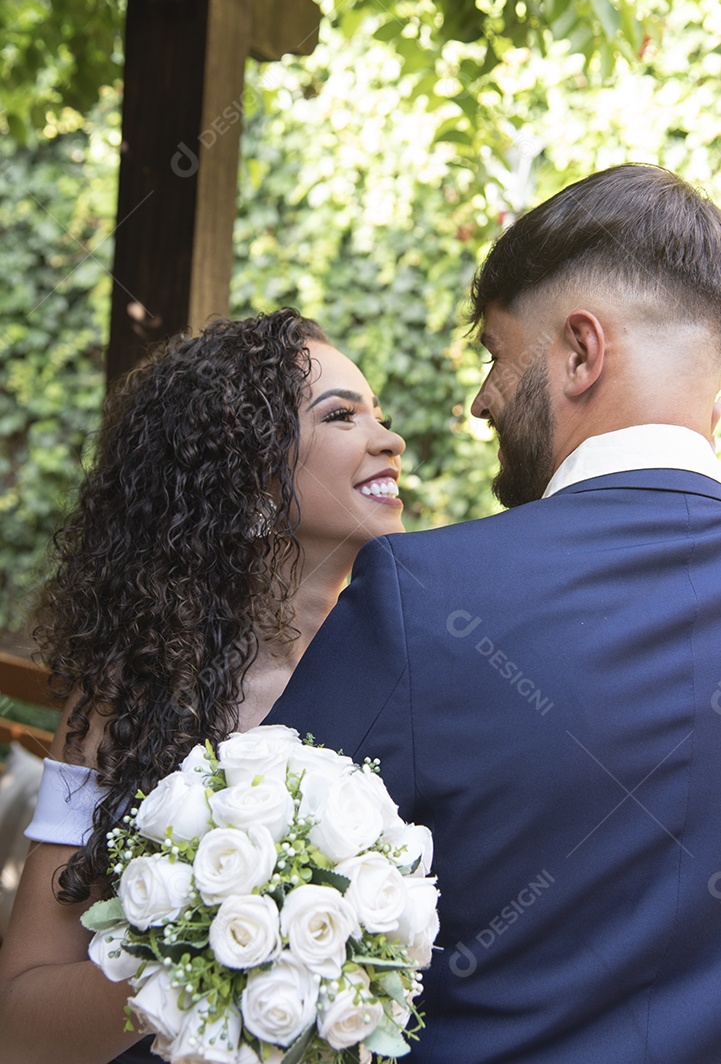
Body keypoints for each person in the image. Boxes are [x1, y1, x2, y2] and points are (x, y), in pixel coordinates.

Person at [266, 165, 721, 1063]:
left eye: (496, 354)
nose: (479, 400)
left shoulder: (424, 593)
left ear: (580, 352)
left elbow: (257, 919)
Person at [0, 308, 405, 1064]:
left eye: (378, 414)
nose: (390, 439)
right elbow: (20, 1018)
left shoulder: (417, 666)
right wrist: (207, 954)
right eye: (341, 415)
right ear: (248, 478)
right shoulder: (129, 697)